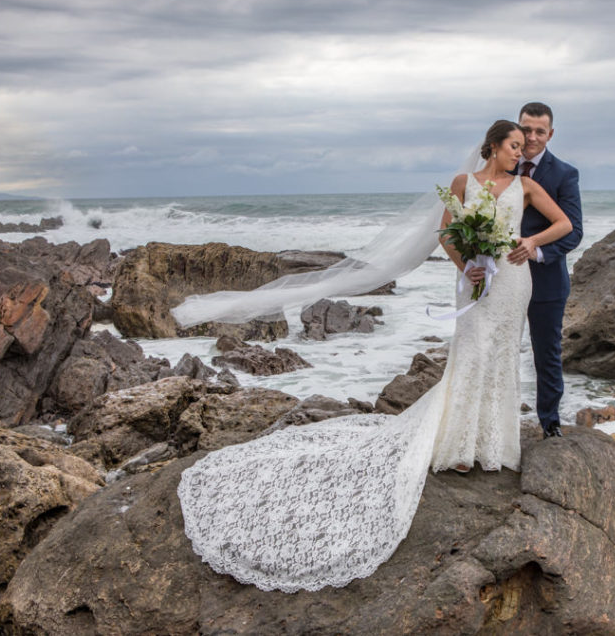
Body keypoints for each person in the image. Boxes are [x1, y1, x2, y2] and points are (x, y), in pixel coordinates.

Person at [175, 120, 571, 593]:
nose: (519, 151)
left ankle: (492, 445)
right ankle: (458, 448)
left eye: (521, 146)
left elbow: (563, 224)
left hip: (512, 279)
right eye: (512, 145)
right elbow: (447, 232)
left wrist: (530, 242)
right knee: (470, 351)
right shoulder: (464, 184)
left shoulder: (527, 185)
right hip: (475, 279)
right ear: (492, 147)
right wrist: (465, 264)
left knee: (501, 354)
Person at [506, 102, 583, 438]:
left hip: (546, 280)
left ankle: (549, 422)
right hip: (503, 278)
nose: (532, 136)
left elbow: (574, 231)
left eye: (540, 131)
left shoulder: (564, 174)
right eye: (526, 129)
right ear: (517, 128)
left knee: (546, 354)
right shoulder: (501, 169)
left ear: (550, 134)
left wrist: (536, 250)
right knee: (499, 348)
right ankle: (499, 420)